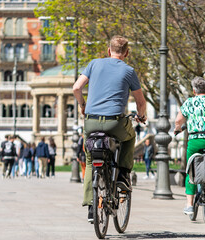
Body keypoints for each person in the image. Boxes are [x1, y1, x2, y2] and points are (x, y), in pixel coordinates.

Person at [73, 35, 147, 222]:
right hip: (115, 122)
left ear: (108, 50)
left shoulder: (94, 63)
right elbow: (140, 101)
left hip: (91, 122)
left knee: (90, 161)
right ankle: (122, 173)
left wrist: (82, 104)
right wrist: (141, 115)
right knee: (129, 137)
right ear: (126, 53)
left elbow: (76, 87)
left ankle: (91, 207)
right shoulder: (129, 71)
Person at [173, 76, 205, 215]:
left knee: (191, 169)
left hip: (196, 140)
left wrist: (177, 128)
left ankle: (189, 205)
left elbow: (178, 120)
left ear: (193, 90)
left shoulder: (189, 102)